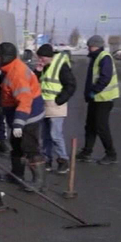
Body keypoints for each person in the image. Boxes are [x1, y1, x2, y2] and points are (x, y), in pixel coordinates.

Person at [0, 42, 46, 191]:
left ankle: (39, 181)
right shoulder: (8, 69)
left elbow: (24, 100)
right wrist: (3, 106)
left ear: (5, 57)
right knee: (16, 145)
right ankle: (17, 175)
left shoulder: (17, 73)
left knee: (30, 147)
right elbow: (7, 92)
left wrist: (18, 123)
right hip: (19, 115)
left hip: (28, 117)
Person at [76, 35, 120, 165]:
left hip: (103, 99)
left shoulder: (104, 57)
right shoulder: (96, 57)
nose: (89, 48)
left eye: (91, 46)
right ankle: (86, 152)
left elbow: (105, 78)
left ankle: (111, 154)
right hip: (95, 99)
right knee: (90, 126)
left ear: (97, 46)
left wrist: (94, 90)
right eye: (89, 46)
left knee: (101, 127)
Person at [34, 44, 77, 173]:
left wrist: (60, 100)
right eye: (39, 58)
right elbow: (35, 82)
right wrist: (37, 70)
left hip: (56, 106)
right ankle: (47, 159)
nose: (40, 60)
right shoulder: (43, 67)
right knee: (45, 135)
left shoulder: (61, 66)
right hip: (44, 104)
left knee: (55, 135)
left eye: (42, 58)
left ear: (49, 57)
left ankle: (63, 160)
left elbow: (71, 85)